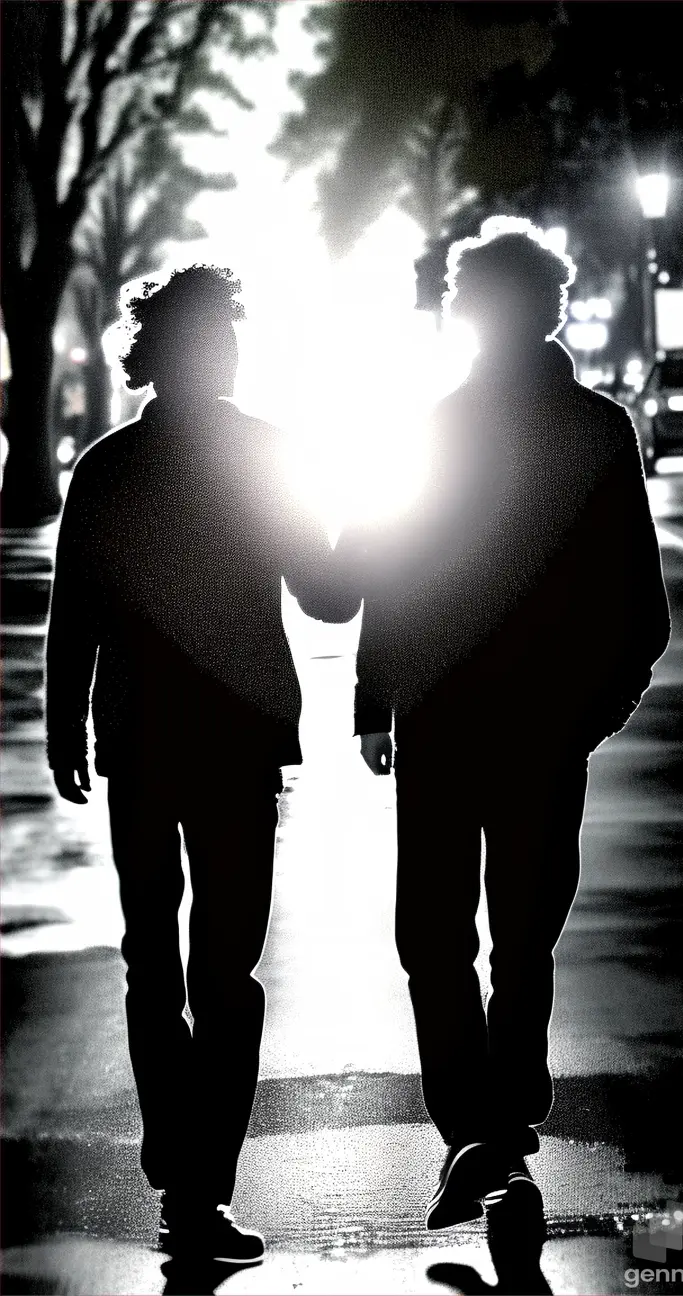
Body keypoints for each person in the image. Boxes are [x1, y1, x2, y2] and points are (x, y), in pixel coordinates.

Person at [342, 222, 671, 1230]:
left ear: (468, 314)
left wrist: (374, 699)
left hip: (443, 720)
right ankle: (503, 1124)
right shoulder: (599, 429)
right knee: (525, 937)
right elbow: (640, 606)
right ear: (554, 310)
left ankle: (475, 1131)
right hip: (542, 729)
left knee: (432, 936)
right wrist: (594, 711)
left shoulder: (436, 426)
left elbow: (390, 574)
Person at [45, 266, 360, 1261]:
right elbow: (328, 597)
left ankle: (178, 1159)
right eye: (220, 336)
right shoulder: (264, 455)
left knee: (155, 964)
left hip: (140, 739)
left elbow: (73, 615)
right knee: (228, 973)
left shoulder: (107, 467)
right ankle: (199, 1187)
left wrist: (65, 727)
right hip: (236, 741)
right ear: (195, 350)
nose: (228, 351)